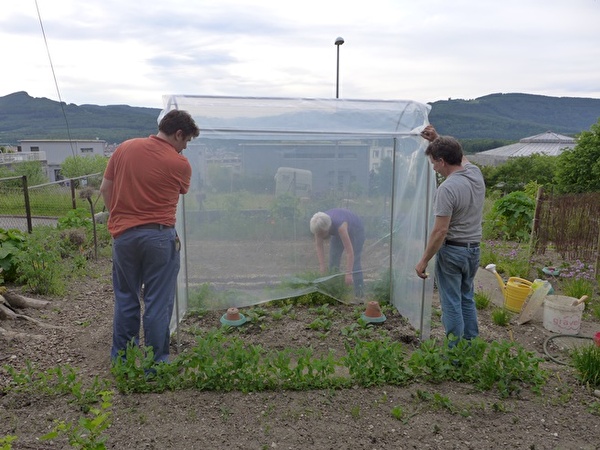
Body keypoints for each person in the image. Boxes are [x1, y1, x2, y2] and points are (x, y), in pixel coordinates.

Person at [100, 109, 200, 363]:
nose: (185, 148)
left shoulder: (124, 148)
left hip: (124, 237)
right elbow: (182, 190)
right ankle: (156, 364)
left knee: (125, 298)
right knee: (157, 302)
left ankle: (123, 362)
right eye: (186, 141)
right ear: (178, 134)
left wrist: (118, 218)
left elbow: (105, 188)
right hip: (159, 237)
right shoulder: (179, 164)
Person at [415, 125, 485, 344]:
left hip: (453, 251)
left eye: (434, 162)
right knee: (466, 298)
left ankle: (455, 353)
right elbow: (462, 158)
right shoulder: (474, 174)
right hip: (473, 250)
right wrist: (437, 139)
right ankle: (471, 344)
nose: (434, 168)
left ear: (442, 161)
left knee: (451, 303)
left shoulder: (447, 189)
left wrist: (423, 260)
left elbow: (440, 230)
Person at [310, 209, 365, 297]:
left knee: (355, 263)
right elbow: (319, 246)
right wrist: (322, 266)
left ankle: (359, 294)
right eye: (317, 234)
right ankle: (335, 292)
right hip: (336, 228)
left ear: (326, 230)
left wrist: (348, 273)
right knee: (333, 261)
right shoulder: (318, 224)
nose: (318, 236)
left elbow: (349, 252)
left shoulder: (340, 226)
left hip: (356, 231)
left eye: (320, 234)